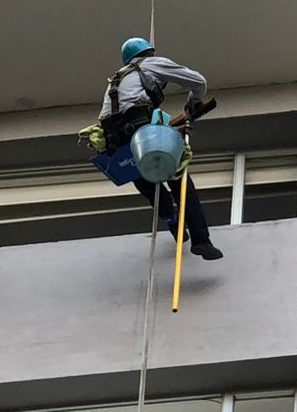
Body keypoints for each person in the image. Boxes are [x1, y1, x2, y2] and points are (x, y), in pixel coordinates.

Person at [90, 37, 223, 261]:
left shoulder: (116, 81)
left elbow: (122, 116)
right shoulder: (151, 63)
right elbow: (198, 81)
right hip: (142, 134)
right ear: (148, 53)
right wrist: (194, 101)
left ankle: (172, 220)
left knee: (146, 180)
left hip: (117, 142)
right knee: (180, 181)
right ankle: (201, 241)